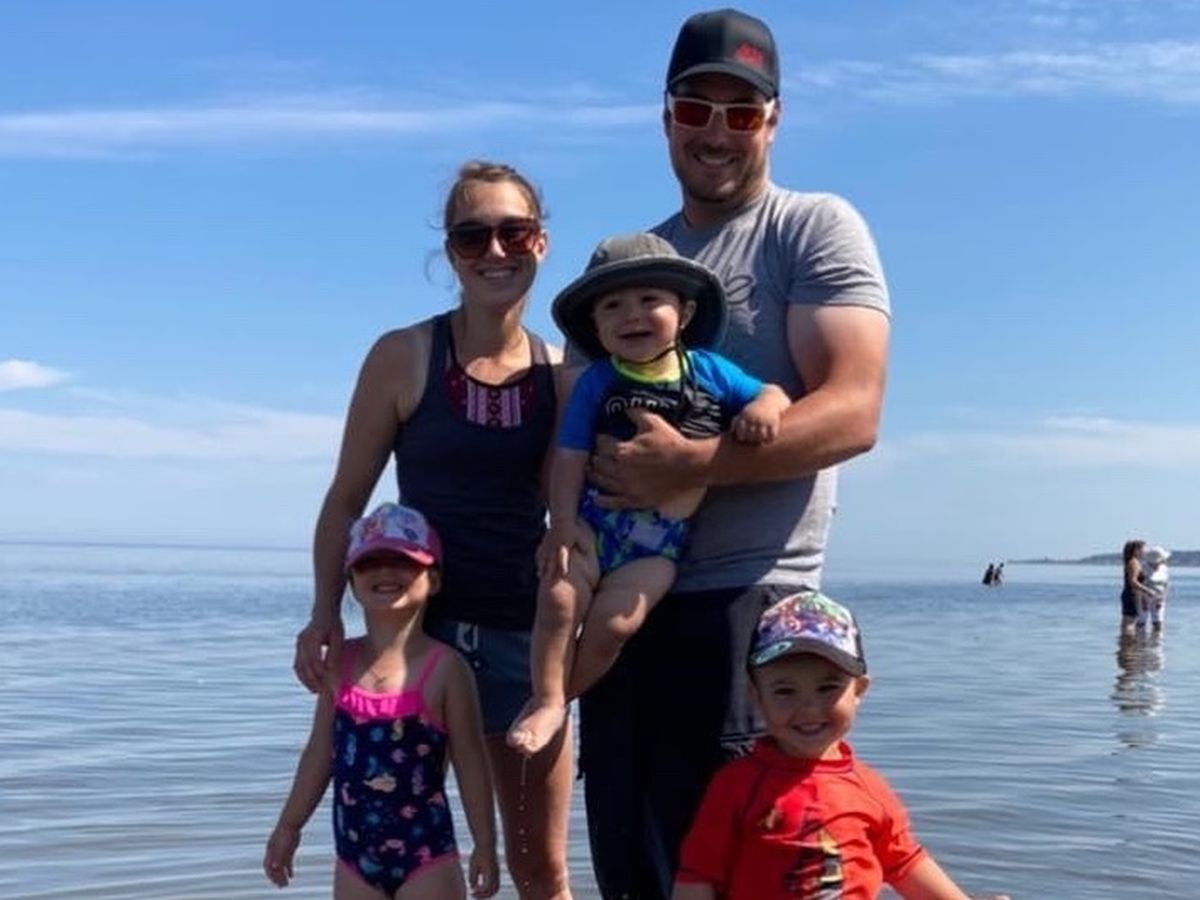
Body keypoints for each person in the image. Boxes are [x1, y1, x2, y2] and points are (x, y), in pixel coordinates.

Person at [578, 9, 891, 897]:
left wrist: (693, 465)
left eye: (741, 111)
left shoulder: (811, 226)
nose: (716, 131)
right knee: (632, 869)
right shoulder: (633, 268)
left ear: (774, 120)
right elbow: (573, 418)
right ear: (665, 117)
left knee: (741, 874)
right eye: (695, 109)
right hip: (621, 604)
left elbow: (854, 410)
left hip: (749, 607)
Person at [292, 160, 574, 898]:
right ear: (450, 252)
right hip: (417, 642)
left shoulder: (560, 372)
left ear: (541, 243)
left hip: (521, 637)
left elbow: (571, 514)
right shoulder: (404, 356)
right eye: (472, 236)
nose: (495, 251)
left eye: (514, 232)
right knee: (390, 850)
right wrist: (324, 614)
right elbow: (346, 499)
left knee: (538, 867)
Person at [507, 233, 791, 756]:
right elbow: (569, 456)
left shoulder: (709, 371)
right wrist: (562, 523)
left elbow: (770, 392)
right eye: (612, 306)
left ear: (684, 313)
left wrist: (763, 409)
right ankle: (546, 699)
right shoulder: (598, 381)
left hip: (658, 545)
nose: (631, 315)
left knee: (617, 624)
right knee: (560, 597)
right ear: (595, 327)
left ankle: (561, 698)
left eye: (649, 300)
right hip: (594, 524)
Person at [672, 593, 1010, 900]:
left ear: (859, 690)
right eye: (785, 691)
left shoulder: (869, 787)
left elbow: (904, 862)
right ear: (756, 696)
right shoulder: (736, 786)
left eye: (827, 688)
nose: (809, 708)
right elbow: (698, 873)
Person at [264, 502, 499, 898]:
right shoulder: (339, 665)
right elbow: (320, 753)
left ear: (433, 579)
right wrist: (289, 826)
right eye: (369, 563)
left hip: (426, 856)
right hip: (354, 859)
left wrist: (486, 844)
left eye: (403, 562)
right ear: (352, 581)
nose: (386, 572)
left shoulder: (446, 669)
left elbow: (471, 762)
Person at [1120, 539, 1156, 635]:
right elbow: (1133, 581)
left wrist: (1143, 596)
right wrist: (1148, 591)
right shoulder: (1134, 562)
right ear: (1137, 550)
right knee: (1130, 623)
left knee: (1128, 622)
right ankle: (1128, 642)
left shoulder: (1134, 561)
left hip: (1132, 594)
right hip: (1132, 595)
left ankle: (1126, 641)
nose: (1146, 551)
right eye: (1144, 549)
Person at [1138, 546, 1170, 632]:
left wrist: (1163, 597)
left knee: (1158, 622)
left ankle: (1156, 639)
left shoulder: (1164, 568)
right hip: (1145, 597)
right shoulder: (1143, 567)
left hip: (1159, 597)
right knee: (1142, 622)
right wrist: (1143, 599)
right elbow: (1139, 583)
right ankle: (1140, 638)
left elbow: (1166, 584)